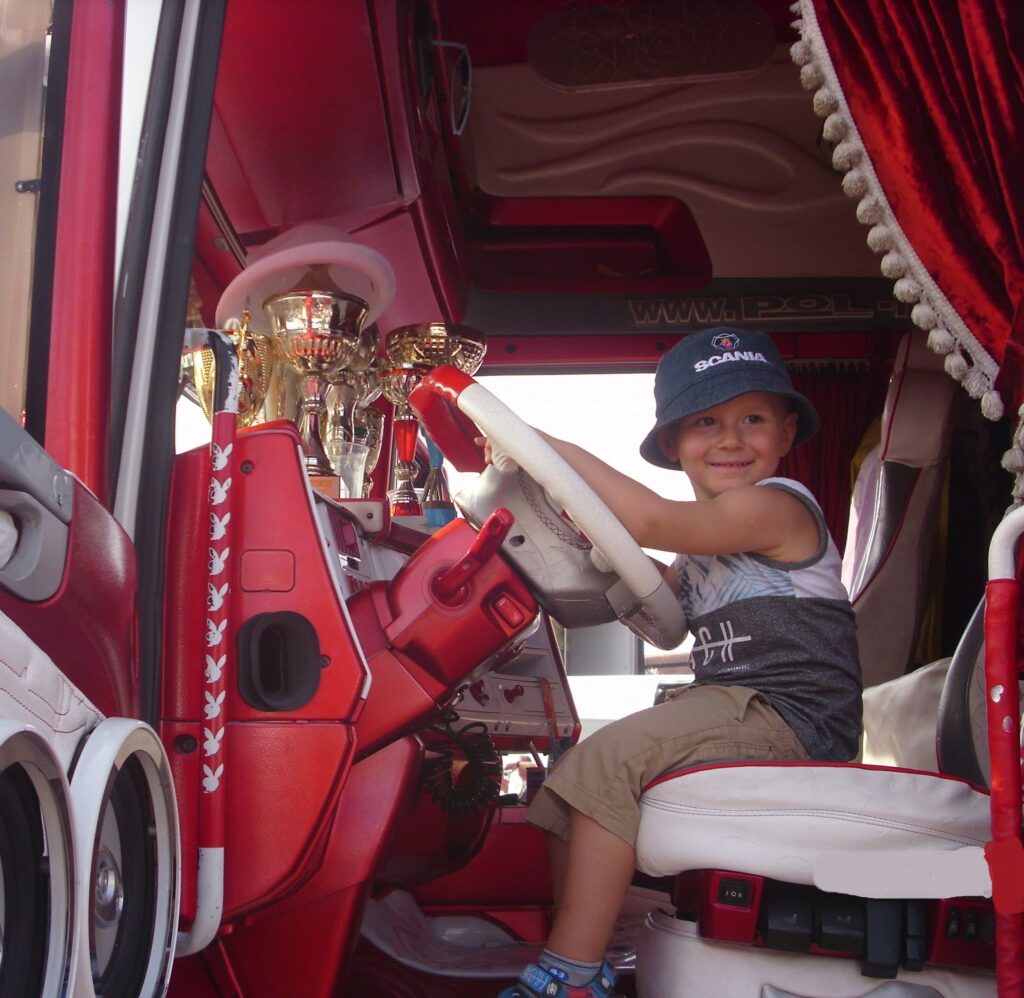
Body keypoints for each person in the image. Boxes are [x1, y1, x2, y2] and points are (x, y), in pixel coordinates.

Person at [495, 326, 862, 998]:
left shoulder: (776, 507)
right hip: (734, 707)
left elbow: (652, 520)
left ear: (785, 433)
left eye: (752, 419)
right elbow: (663, 613)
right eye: (706, 422)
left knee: (610, 761)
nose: (730, 439)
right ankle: (586, 943)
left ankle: (570, 975)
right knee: (564, 785)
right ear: (674, 444)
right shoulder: (702, 550)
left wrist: (540, 446)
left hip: (791, 713)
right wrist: (597, 555)